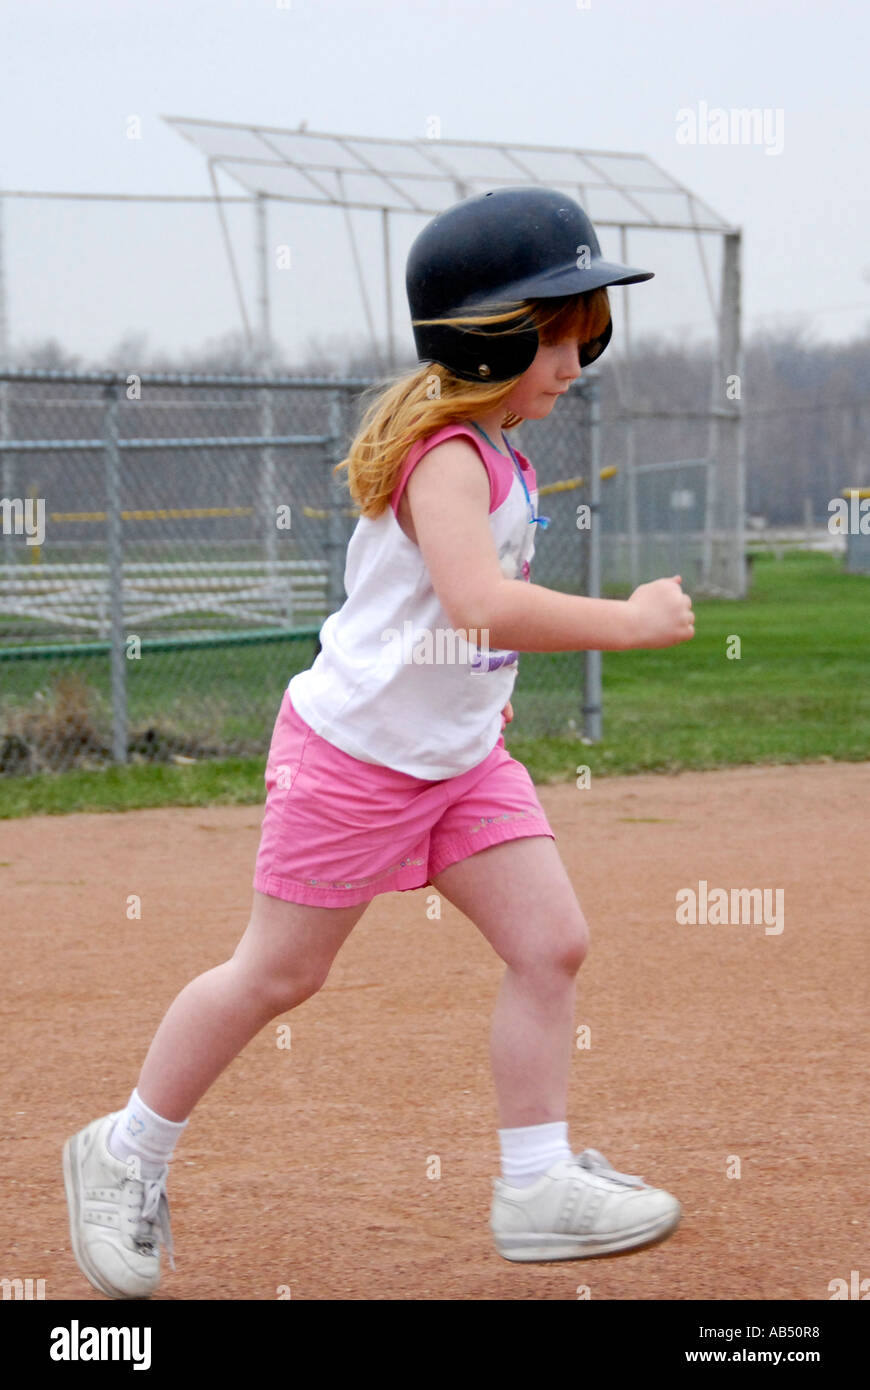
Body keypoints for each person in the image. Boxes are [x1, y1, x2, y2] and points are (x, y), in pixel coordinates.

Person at [62, 186, 695, 1297]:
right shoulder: (448, 456)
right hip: (353, 761)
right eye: (557, 331)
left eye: (587, 330)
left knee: (551, 943)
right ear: (486, 336)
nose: (576, 356)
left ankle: (537, 1184)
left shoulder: (503, 450)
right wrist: (631, 625)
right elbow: (477, 606)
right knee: (279, 973)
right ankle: (124, 1153)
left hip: (459, 764)